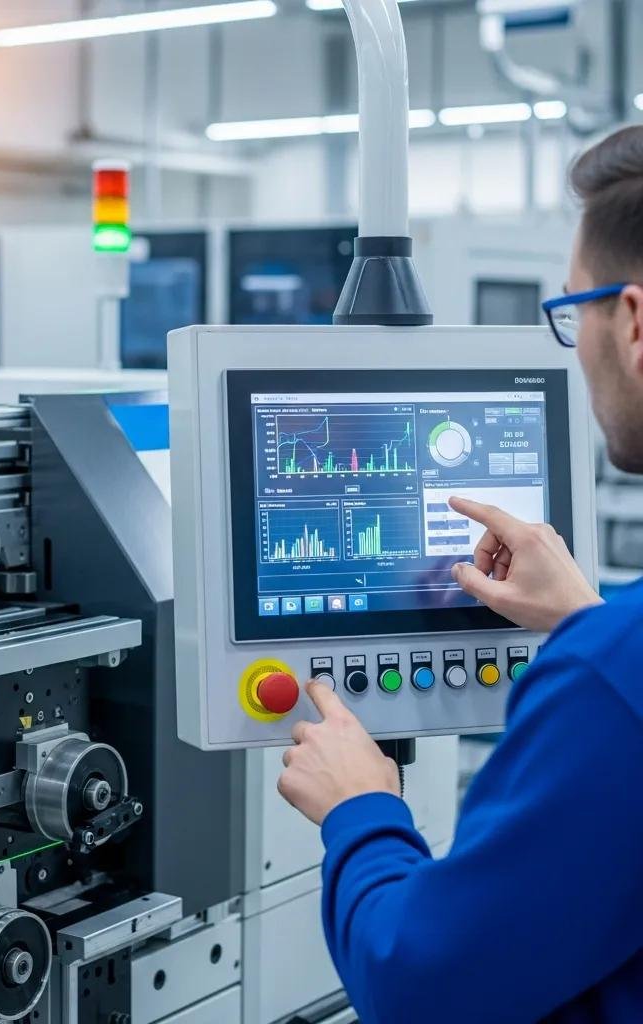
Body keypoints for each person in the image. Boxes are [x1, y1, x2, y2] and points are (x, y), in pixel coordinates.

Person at [277, 124, 643, 1023]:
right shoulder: (612, 663)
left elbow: (420, 985)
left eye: (575, 311)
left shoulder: (613, 680)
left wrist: (362, 809)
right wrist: (589, 623)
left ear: (632, 322)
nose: (578, 344)